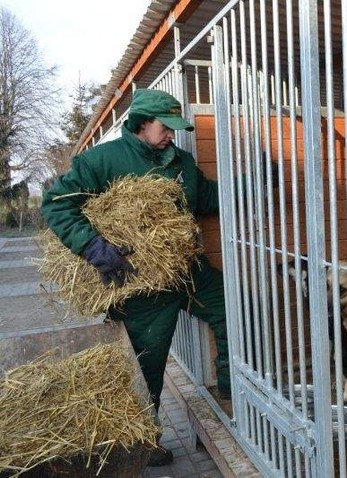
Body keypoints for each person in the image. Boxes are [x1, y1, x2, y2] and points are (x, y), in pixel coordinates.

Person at [41, 88, 232, 467]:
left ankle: (230, 389)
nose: (172, 134)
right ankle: (143, 440)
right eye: (166, 127)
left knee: (235, 309)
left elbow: (206, 197)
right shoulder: (103, 160)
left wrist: (252, 184)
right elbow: (57, 204)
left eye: (176, 128)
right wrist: (92, 246)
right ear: (142, 123)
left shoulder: (180, 161)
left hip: (187, 270)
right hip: (143, 283)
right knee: (147, 365)